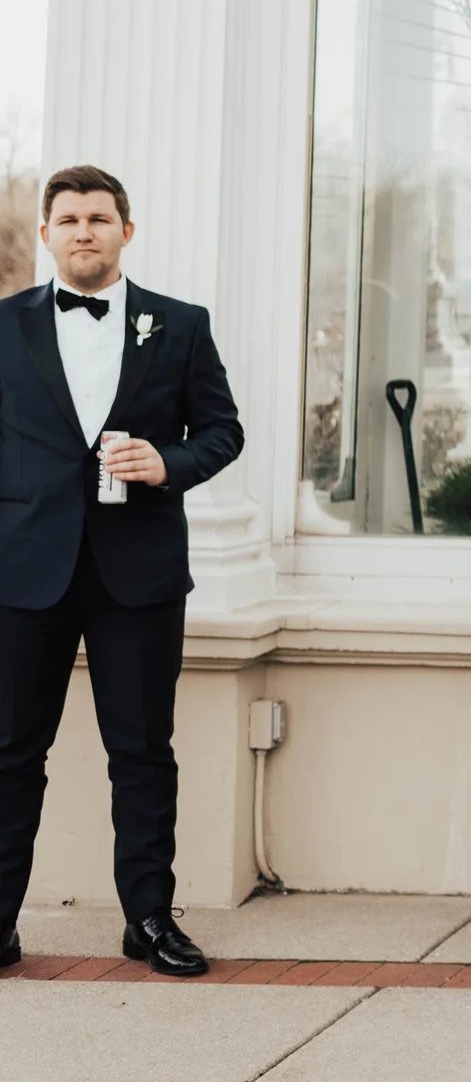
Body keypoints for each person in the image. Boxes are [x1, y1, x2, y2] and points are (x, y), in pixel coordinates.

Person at [0, 166, 244, 977]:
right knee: (8, 752)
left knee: (141, 751)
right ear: (45, 233)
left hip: (137, 575)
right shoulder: (4, 326)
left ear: (125, 231)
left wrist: (165, 461)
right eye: (66, 218)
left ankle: (148, 919)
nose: (82, 231)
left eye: (98, 218)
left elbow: (223, 430)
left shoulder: (178, 325)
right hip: (24, 572)